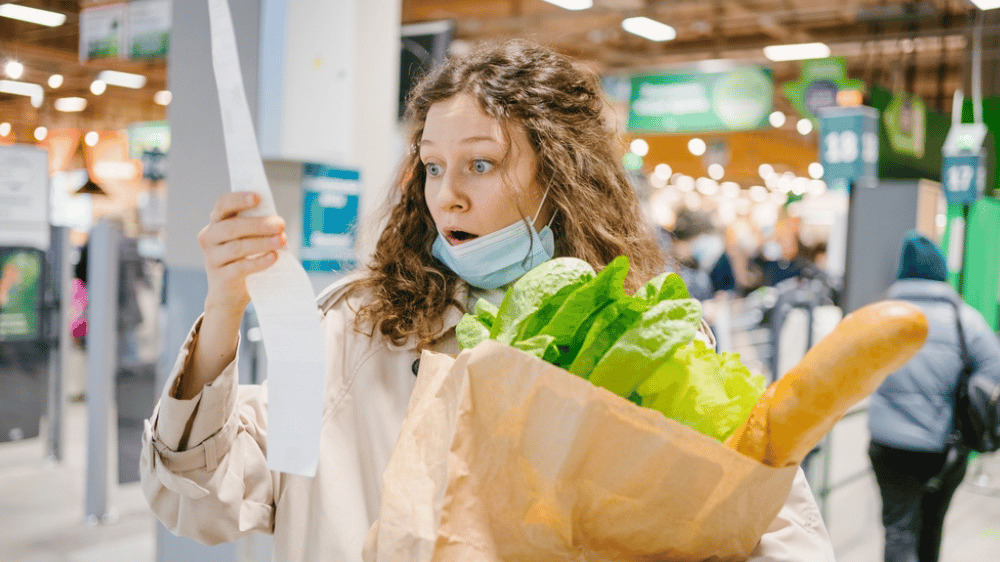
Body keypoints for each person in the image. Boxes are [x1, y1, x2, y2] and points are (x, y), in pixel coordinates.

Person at [141, 40, 834, 560]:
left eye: (481, 163)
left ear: (561, 175)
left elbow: (779, 532)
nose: (448, 195)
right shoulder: (361, 329)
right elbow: (201, 494)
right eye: (434, 167)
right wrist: (226, 308)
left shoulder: (643, 337)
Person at [867, 231, 1000, 562]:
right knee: (931, 526)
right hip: (944, 447)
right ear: (941, 271)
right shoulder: (965, 320)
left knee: (898, 528)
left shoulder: (877, 316)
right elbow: (993, 371)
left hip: (889, 444)